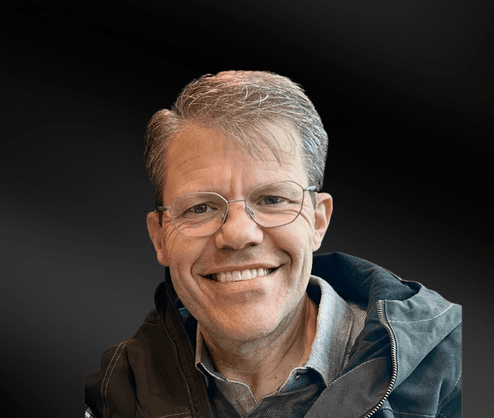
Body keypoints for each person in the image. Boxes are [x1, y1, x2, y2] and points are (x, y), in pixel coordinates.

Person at [85, 71, 462, 418]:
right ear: (159, 237)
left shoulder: (453, 368)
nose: (238, 234)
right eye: (200, 208)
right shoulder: (107, 397)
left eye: (272, 199)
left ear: (318, 220)